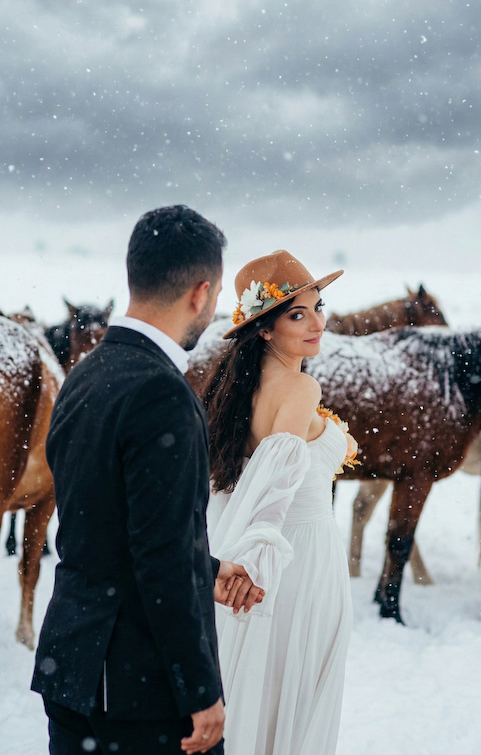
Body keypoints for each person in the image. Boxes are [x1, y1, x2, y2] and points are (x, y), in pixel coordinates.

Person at [32, 205, 263, 755]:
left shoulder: (84, 375)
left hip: (72, 665)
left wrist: (204, 567)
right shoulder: (163, 395)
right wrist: (199, 690)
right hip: (138, 692)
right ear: (201, 293)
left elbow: (110, 525)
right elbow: (158, 554)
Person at [202, 250, 354, 755]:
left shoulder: (236, 389)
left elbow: (236, 481)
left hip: (268, 550)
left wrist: (240, 553)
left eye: (318, 307)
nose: (316, 322)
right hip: (299, 558)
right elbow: (279, 473)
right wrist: (258, 557)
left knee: (263, 687)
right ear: (264, 329)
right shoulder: (300, 386)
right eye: (297, 314)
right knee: (295, 692)